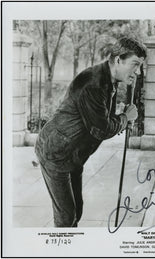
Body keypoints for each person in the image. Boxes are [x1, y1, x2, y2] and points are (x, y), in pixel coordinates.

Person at [35, 37, 147, 227]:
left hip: (73, 154)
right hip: (56, 153)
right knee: (66, 217)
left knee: (76, 210)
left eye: (140, 66)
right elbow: (101, 129)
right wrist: (126, 118)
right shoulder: (93, 84)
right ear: (119, 59)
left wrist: (124, 111)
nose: (138, 71)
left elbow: (103, 119)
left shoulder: (107, 79)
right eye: (135, 65)